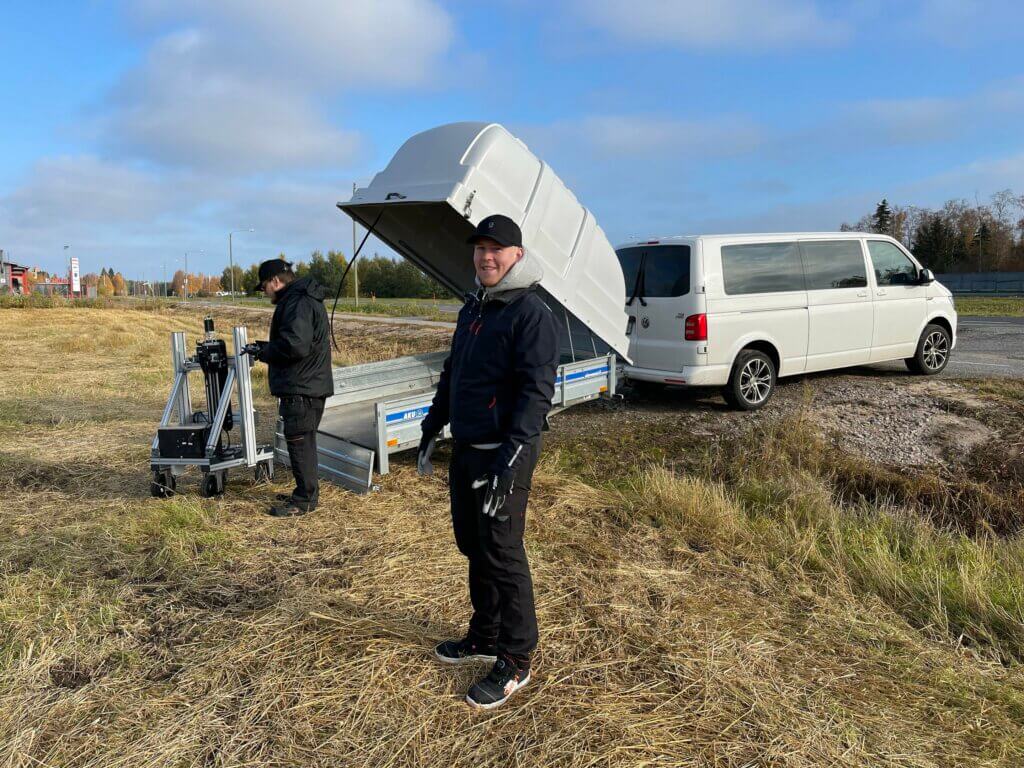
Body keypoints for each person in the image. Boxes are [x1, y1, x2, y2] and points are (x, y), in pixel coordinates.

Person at [418, 214, 559, 710]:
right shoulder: (474, 307)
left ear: (517, 254)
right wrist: (433, 423)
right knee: (473, 545)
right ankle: (484, 634)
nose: (486, 256)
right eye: (480, 248)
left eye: (496, 248)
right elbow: (454, 371)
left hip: (505, 454)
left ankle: (517, 659)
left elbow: (536, 395)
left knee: (502, 551)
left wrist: (510, 461)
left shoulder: (531, 313)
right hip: (468, 449)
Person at [250, 258, 334, 518]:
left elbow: (295, 345)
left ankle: (304, 500)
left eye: (264, 286)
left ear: (275, 281)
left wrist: (265, 352)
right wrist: (266, 347)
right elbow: (296, 340)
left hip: (302, 387)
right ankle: (304, 492)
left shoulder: (297, 302)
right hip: (308, 384)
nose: (265, 292)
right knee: (304, 442)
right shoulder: (301, 299)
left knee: (299, 443)